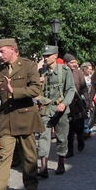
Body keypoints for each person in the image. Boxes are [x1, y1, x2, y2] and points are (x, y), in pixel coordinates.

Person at [0, 38, 43, 190]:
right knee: (4, 155)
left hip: (25, 117)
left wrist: (14, 90)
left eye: (2, 51)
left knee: (29, 156)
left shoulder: (29, 66)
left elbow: (36, 89)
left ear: (12, 50)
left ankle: (31, 187)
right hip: (6, 119)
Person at [36, 46, 74, 177]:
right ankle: (44, 167)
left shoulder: (65, 71)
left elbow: (71, 90)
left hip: (60, 108)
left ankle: (61, 162)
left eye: (48, 55)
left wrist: (64, 104)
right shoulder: (41, 72)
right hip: (46, 108)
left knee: (62, 137)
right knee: (43, 136)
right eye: (44, 56)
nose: (45, 58)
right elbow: (35, 91)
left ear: (55, 55)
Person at [63, 53, 87, 157]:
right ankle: (70, 149)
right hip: (67, 103)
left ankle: (81, 139)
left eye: (75, 62)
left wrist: (88, 100)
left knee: (79, 126)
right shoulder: (62, 73)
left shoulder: (78, 73)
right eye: (72, 62)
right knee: (69, 128)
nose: (75, 64)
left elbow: (84, 88)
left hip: (77, 103)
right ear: (66, 64)